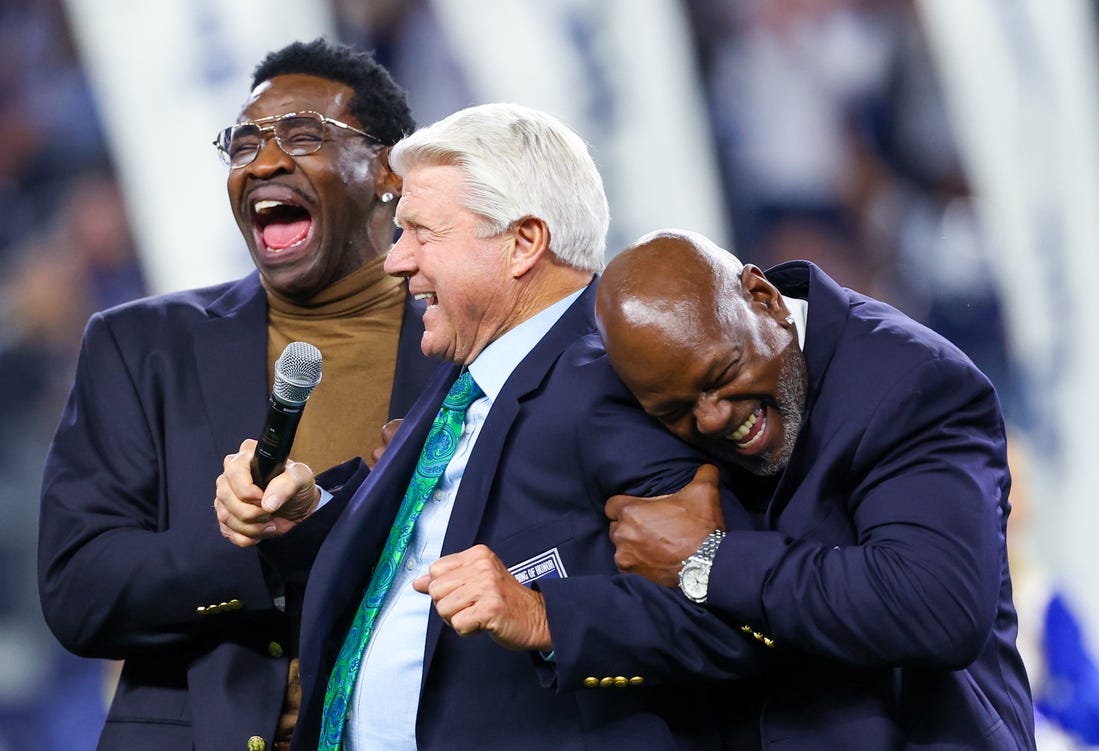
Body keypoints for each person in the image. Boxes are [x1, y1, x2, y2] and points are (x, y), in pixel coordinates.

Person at [215, 103, 768, 751]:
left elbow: (728, 619)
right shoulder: (461, 381)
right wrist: (309, 509)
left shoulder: (616, 382)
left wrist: (540, 615)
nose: (395, 261)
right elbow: (417, 549)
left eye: (421, 233)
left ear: (522, 243)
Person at [37, 38, 436, 751]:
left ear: (387, 172)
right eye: (243, 143)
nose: (264, 162)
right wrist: (257, 555)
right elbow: (79, 590)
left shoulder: (466, 351)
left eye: (305, 136)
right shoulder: (141, 346)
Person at [594, 228, 1037, 750]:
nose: (711, 418)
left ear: (765, 300)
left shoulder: (914, 380)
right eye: (677, 410)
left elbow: (937, 606)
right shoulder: (665, 411)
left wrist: (710, 561)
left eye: (724, 372)